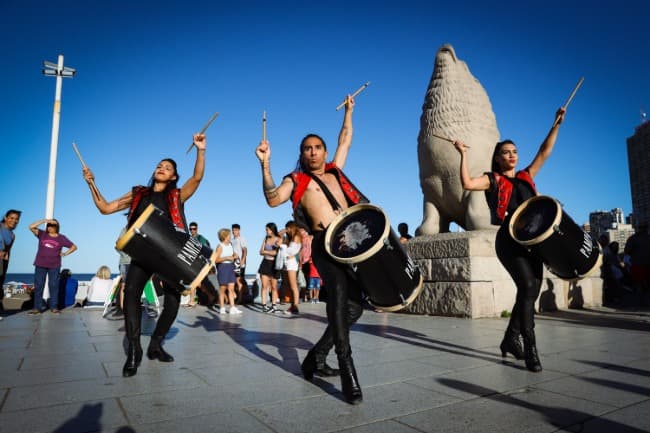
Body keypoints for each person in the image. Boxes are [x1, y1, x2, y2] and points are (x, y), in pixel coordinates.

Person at [256, 94, 366, 404]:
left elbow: (345, 139)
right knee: (340, 298)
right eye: (307, 149)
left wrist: (348, 112)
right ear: (302, 154)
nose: (313, 152)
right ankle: (347, 370)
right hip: (323, 244)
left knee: (355, 307)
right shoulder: (296, 180)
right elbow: (273, 198)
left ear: (324, 152)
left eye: (317, 147)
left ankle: (316, 357)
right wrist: (265, 165)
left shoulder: (335, 172)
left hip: (351, 244)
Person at [82, 132, 207, 377]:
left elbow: (198, 177)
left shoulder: (176, 195)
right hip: (142, 253)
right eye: (159, 165)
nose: (162, 168)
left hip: (170, 254)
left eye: (168, 167)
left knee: (172, 301)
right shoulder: (138, 194)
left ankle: (156, 344)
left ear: (173, 176)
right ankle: (134, 349)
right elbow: (105, 208)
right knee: (131, 294)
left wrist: (201, 150)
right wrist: (91, 183)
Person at [453, 107, 566, 372]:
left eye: (514, 151)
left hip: (533, 241)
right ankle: (530, 347)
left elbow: (544, 151)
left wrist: (556, 124)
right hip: (509, 241)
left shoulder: (527, 176)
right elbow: (468, 183)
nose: (512, 155)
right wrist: (463, 154)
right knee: (527, 285)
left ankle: (509, 340)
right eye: (506, 152)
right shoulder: (493, 180)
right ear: (498, 158)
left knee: (531, 291)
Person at [28, 218, 78, 314]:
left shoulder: (61, 238)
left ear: (57, 227)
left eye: (53, 225)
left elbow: (74, 247)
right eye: (49, 225)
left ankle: (54, 307)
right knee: (39, 286)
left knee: (54, 286)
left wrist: (65, 254)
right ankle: (36, 308)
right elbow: (31, 227)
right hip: (40, 264)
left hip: (54, 265)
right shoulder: (42, 234)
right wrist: (44, 221)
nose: (50, 227)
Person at [214, 228, 242, 315]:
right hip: (222, 268)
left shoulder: (230, 245)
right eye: (229, 234)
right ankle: (222, 308)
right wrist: (226, 258)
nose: (230, 236)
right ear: (225, 236)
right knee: (222, 289)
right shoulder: (220, 246)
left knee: (231, 288)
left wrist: (235, 255)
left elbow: (232, 254)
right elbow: (216, 260)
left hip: (230, 267)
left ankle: (232, 308)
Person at [279, 221, 302, 315]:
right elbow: (279, 239)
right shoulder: (290, 237)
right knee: (290, 285)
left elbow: (291, 251)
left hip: (291, 263)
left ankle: (295, 307)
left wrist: (284, 249)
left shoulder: (296, 237)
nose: (286, 230)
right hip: (288, 262)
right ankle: (293, 306)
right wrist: (282, 233)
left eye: (287, 228)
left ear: (292, 227)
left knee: (293, 286)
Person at [258, 222, 281, 313]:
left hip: (274, 264)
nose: (266, 231)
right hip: (265, 263)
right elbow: (260, 251)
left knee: (274, 286)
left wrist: (265, 252)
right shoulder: (266, 238)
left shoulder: (279, 239)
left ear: (272, 230)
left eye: (267, 229)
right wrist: (269, 252)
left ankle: (274, 305)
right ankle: (264, 305)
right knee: (264, 286)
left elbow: (276, 253)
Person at [0, 209, 21, 310]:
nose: (14, 221)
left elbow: (8, 252)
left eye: (17, 219)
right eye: (12, 218)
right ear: (5, 218)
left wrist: (5, 266)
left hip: (2, 263)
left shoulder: (12, 235)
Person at [186, 222, 210, 307]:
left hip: (200, 263)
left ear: (197, 229)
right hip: (191, 263)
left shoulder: (201, 238)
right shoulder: (188, 238)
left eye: (194, 229)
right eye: (191, 229)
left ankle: (210, 296)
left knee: (196, 282)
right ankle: (192, 300)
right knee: (192, 281)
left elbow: (207, 249)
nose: (192, 230)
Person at [624, 223, 650, 297]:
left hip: (637, 264)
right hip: (643, 264)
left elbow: (627, 251)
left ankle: (640, 301)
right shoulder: (647, 237)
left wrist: (627, 263)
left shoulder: (633, 238)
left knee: (638, 283)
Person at [231, 223, 248, 303]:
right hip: (233, 263)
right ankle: (238, 297)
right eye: (233, 230)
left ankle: (240, 299)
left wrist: (243, 259)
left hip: (239, 263)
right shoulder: (232, 240)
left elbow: (245, 250)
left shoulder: (242, 239)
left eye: (235, 230)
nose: (234, 232)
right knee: (234, 281)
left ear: (239, 230)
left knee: (239, 280)